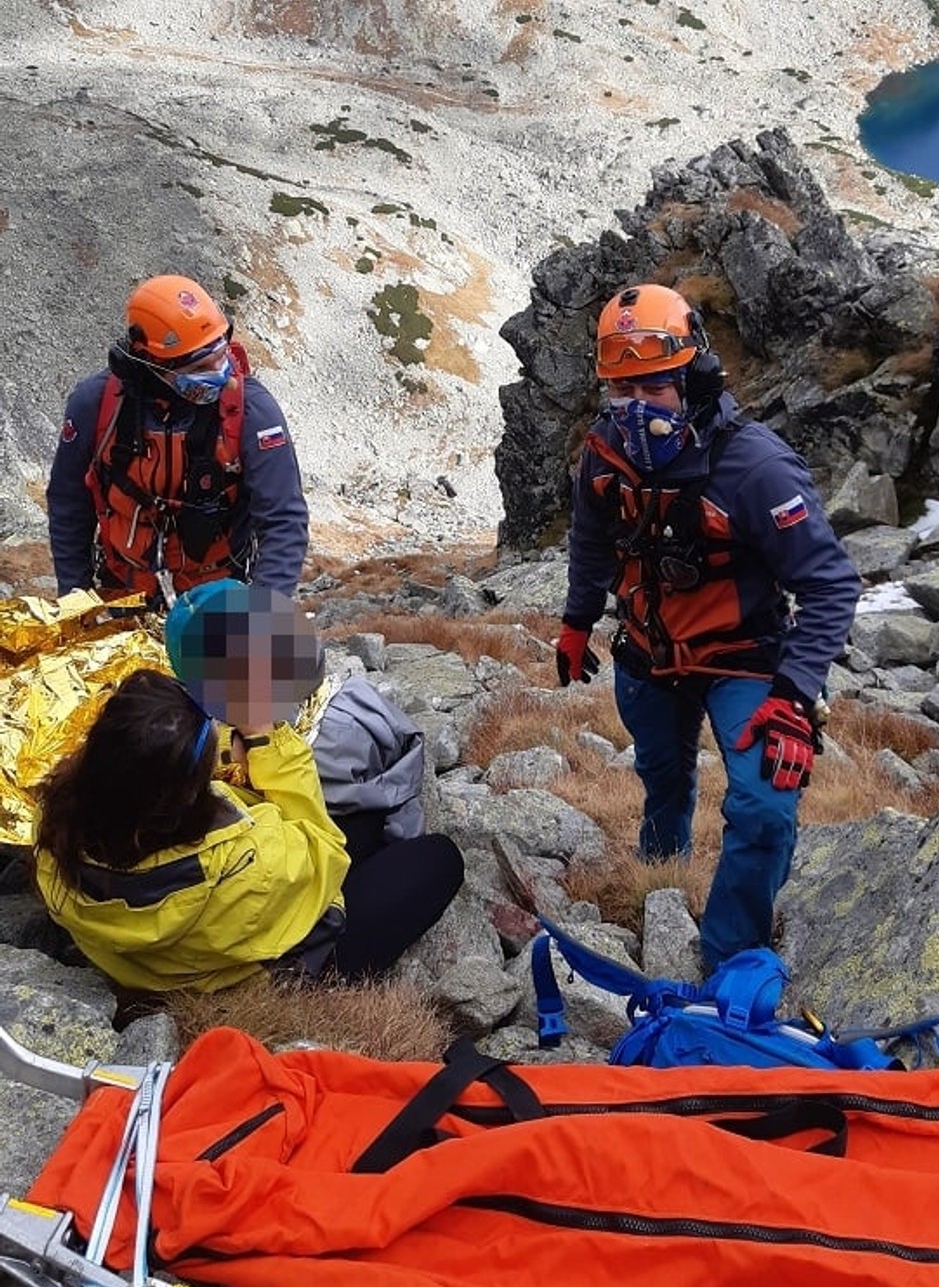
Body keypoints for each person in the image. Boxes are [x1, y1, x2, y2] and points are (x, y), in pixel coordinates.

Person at [556, 283, 861, 978]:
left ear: (694, 378)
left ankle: (732, 956)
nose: (635, 411)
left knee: (762, 808)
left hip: (742, 661)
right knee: (662, 775)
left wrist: (794, 693)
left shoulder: (756, 466)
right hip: (647, 654)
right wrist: (578, 621)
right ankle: (660, 882)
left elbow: (830, 583)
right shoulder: (603, 459)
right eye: (620, 392)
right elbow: (591, 544)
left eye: (655, 389)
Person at [32, 668, 464, 995]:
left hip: (156, 950)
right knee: (435, 857)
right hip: (262, 961)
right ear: (186, 796)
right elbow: (326, 854)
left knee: (360, 825)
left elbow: (149, 773)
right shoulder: (247, 864)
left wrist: (213, 756)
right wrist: (267, 741)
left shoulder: (54, 823)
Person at [47, 274, 309, 601]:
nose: (222, 375)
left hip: (219, 600)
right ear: (152, 362)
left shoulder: (252, 412)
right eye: (200, 367)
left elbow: (284, 519)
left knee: (301, 654)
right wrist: (76, 598)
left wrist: (261, 614)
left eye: (222, 354)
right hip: (123, 597)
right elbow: (68, 502)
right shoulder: (96, 405)